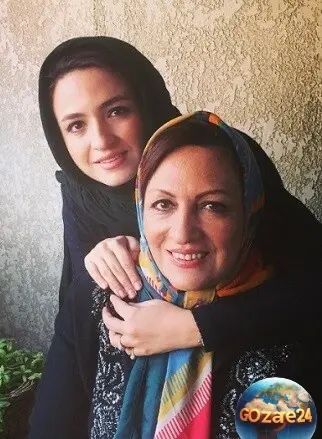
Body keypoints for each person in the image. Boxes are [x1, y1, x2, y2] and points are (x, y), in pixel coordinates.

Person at [28, 112, 320, 438]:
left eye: (212, 206)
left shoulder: (291, 320)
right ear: (140, 210)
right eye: (163, 204)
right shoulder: (98, 297)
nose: (183, 233)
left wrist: (200, 327)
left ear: (248, 213)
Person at [38, 35, 322, 354]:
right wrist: (99, 262)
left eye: (117, 111)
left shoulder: (222, 157)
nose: (101, 141)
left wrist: (197, 327)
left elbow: (312, 283)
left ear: (146, 104)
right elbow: (79, 330)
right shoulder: (82, 194)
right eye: (76, 126)